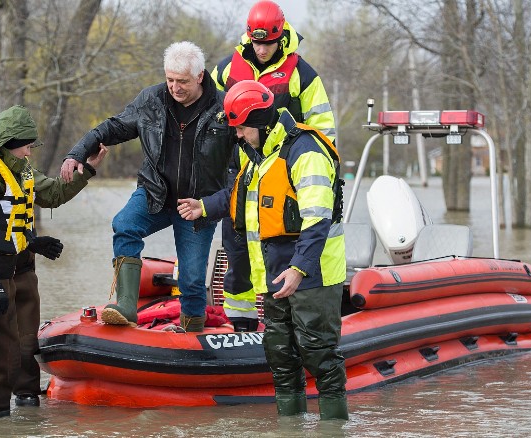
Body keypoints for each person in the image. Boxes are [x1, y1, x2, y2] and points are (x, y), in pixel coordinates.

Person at [176, 81, 348, 420]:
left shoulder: (305, 151)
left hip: (312, 274)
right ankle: (291, 424)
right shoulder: (259, 154)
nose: (237, 135)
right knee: (280, 355)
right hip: (273, 273)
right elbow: (240, 197)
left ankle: (335, 426)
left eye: (242, 128)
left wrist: (299, 268)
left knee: (318, 354)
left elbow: (318, 218)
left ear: (263, 123)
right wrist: (204, 207)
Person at [0, 105, 101, 432]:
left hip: (6, 269)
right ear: (9, 142)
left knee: (9, 352)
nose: (30, 152)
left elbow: (7, 223)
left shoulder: (17, 168)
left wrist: (32, 243)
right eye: (26, 145)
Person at [60, 41, 233, 333]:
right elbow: (113, 127)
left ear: (200, 77)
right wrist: (77, 152)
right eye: (170, 80)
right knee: (124, 224)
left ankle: (193, 334)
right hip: (155, 193)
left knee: (191, 280)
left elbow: (250, 152)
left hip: (198, 205)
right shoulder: (151, 100)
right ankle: (126, 306)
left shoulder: (224, 108)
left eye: (182, 82)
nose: (174, 88)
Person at [211, 0, 337, 331]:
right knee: (236, 252)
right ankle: (241, 325)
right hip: (240, 174)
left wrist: (313, 173)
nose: (262, 49)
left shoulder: (301, 74)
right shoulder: (227, 70)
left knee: (279, 250)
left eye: (268, 42)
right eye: (257, 42)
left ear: (280, 37)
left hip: (284, 174)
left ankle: (284, 324)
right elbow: (208, 114)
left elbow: (324, 129)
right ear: (248, 37)